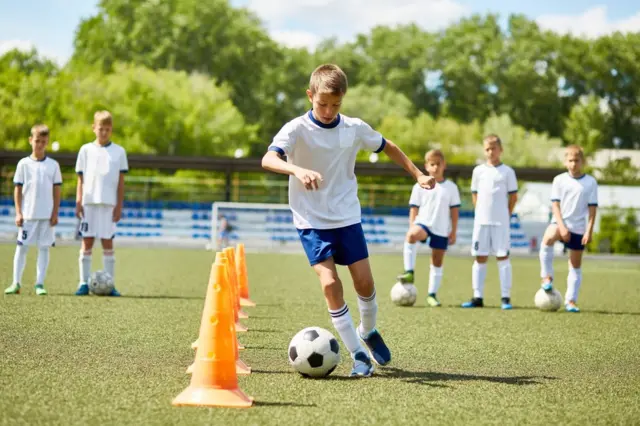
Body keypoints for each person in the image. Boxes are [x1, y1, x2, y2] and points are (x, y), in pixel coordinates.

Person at [261, 64, 435, 377]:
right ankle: (358, 355)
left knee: (365, 283)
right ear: (310, 95)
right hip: (311, 220)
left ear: (343, 100)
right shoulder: (296, 129)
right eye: (322, 104)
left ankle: (368, 331)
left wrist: (418, 173)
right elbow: (268, 158)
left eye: (336, 105)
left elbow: (388, 147)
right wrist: (297, 170)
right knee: (330, 283)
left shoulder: (353, 128)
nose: (328, 111)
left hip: (346, 217)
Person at [396, 149, 461, 307]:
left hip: (441, 227)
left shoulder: (451, 187)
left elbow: (454, 211)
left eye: (439, 164)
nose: (436, 167)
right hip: (423, 223)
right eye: (432, 164)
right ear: (426, 166)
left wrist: (453, 231)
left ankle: (432, 295)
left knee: (437, 261)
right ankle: (409, 272)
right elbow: (414, 208)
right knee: (411, 236)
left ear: (444, 165)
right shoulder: (419, 186)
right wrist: (412, 225)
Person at [74, 111, 128, 296]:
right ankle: (83, 283)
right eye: (100, 129)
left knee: (107, 243)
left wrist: (119, 205)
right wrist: (78, 200)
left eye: (107, 129)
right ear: (93, 128)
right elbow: (80, 178)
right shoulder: (85, 150)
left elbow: (121, 182)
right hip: (89, 203)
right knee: (86, 242)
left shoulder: (119, 152)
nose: (103, 132)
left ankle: (110, 284)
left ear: (111, 129)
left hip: (108, 205)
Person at [538, 145, 598, 313]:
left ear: (583, 162)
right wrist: (562, 227)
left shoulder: (590, 182)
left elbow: (593, 209)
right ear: (565, 162)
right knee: (548, 238)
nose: (573, 164)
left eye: (576, 161)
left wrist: (589, 230)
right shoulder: (559, 180)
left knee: (575, 265)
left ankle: (570, 300)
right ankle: (546, 277)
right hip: (560, 223)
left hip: (578, 227)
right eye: (570, 160)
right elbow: (555, 205)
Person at [461, 134, 518, 310]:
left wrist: (505, 214)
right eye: (487, 149)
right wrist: (480, 213)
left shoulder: (507, 172)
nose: (490, 152)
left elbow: (513, 196)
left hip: (501, 223)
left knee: (503, 257)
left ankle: (505, 297)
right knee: (480, 257)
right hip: (482, 223)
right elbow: (475, 194)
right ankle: (477, 296)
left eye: (494, 148)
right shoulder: (478, 171)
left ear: (500, 150)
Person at [5, 125, 62, 296]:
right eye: (37, 141)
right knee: (21, 248)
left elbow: (57, 190)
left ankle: (39, 283)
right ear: (31, 140)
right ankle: (16, 283)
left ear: (47, 143)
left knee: (44, 248)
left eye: (43, 142)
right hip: (27, 215)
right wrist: (18, 212)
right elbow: (17, 189)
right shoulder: (23, 164)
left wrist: (55, 213)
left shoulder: (53, 165)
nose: (40, 145)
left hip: (46, 216)